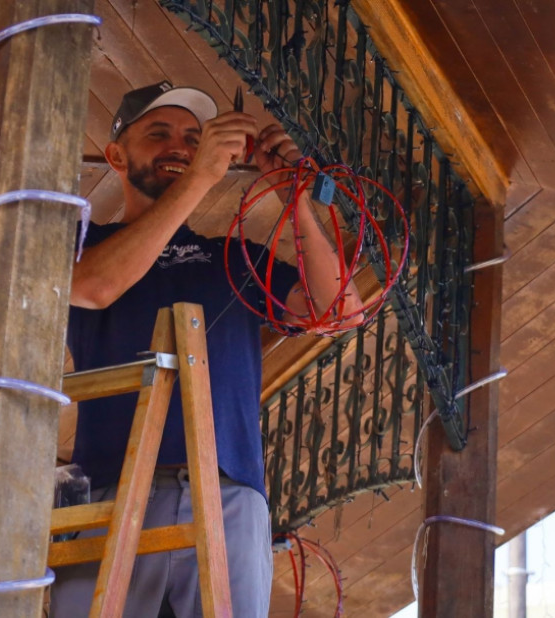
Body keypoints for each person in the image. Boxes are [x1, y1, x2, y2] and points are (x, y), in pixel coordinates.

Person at [51, 81, 361, 617]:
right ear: (117, 156)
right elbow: (95, 288)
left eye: (193, 138)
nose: (180, 146)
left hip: (227, 494)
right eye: (159, 133)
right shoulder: (84, 242)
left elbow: (339, 311)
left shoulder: (233, 256)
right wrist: (200, 177)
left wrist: (295, 196)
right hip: (108, 491)